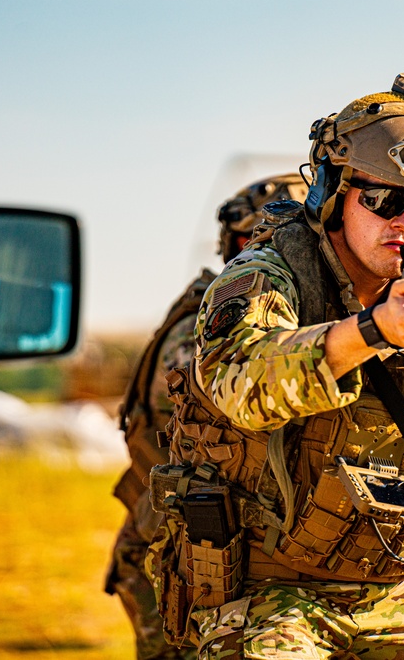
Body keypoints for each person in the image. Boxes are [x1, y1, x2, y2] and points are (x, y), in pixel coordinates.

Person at [147, 73, 404, 659]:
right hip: (269, 590)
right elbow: (242, 384)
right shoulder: (266, 278)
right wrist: (370, 332)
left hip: (396, 588)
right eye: (383, 200)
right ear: (334, 195)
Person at [104, 174, 309, 660]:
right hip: (179, 540)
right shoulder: (219, 320)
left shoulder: (233, 307)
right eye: (253, 236)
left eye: (287, 235)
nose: (266, 246)